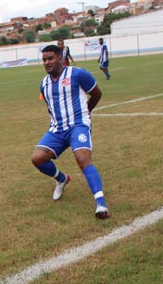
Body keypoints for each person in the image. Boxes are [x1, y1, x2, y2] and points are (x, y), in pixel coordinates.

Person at [32, 44, 110, 219]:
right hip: (57, 129)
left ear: (61, 58)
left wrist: (86, 114)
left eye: (50, 58)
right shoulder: (43, 84)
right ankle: (62, 179)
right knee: (37, 158)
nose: (47, 62)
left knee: (82, 158)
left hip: (78, 126)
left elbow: (96, 94)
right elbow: (50, 107)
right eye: (44, 59)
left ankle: (101, 203)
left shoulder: (77, 74)